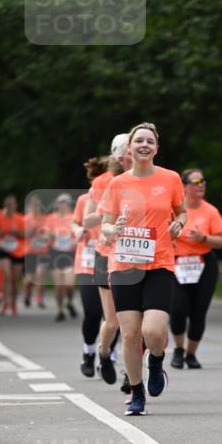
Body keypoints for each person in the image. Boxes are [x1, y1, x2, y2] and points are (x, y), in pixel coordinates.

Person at [100, 122, 185, 417]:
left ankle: (156, 361)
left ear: (156, 148)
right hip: (124, 266)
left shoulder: (170, 178)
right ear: (130, 148)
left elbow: (181, 211)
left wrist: (179, 223)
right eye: (139, 141)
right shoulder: (117, 184)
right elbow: (105, 225)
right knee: (130, 334)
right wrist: (114, 228)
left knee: (153, 330)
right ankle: (136, 391)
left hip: (159, 263)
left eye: (150, 141)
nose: (144, 145)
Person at [83, 133, 130, 384]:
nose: (128, 157)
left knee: (136, 321)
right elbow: (87, 219)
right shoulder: (104, 182)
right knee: (112, 320)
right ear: (116, 156)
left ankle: (131, 375)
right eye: (124, 153)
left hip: (137, 256)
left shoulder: (151, 179)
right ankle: (103, 354)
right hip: (106, 252)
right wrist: (109, 216)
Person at [170, 168, 222, 369]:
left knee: (198, 311)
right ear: (184, 186)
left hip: (204, 264)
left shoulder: (210, 211)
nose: (201, 185)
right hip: (177, 263)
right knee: (178, 308)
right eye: (195, 181)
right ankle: (178, 349)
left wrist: (203, 238)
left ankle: (191, 354)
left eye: (203, 181)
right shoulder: (174, 210)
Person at [73, 157, 108, 376]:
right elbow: (76, 221)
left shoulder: (122, 197)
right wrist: (77, 230)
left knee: (112, 315)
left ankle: (108, 355)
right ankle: (89, 351)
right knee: (93, 312)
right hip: (87, 261)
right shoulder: (84, 200)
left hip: (109, 260)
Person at [45, 193, 78, 321]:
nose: (63, 205)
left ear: (69, 205)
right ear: (57, 205)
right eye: (61, 203)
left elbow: (79, 233)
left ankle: (69, 302)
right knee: (59, 285)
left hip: (70, 253)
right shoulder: (51, 218)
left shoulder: (74, 217)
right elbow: (45, 234)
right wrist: (50, 235)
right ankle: (60, 310)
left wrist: (75, 241)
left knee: (69, 284)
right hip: (55, 253)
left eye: (66, 203)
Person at [0, 195, 25, 315]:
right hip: (3, 249)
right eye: (8, 205)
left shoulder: (20, 219)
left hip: (17, 251)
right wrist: (0, 233)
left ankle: (13, 303)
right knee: (6, 276)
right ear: (5, 205)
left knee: (14, 280)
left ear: (16, 206)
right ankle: (5, 303)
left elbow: (26, 235)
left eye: (12, 204)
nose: (10, 207)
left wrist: (17, 232)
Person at [23, 193, 51, 308]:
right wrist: (32, 229)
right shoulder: (26, 219)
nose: (36, 208)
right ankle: (28, 294)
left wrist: (47, 235)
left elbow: (49, 234)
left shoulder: (44, 219)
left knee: (41, 275)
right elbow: (23, 235)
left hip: (43, 251)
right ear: (30, 206)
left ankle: (39, 299)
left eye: (38, 205)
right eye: (34, 205)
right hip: (30, 252)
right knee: (29, 279)